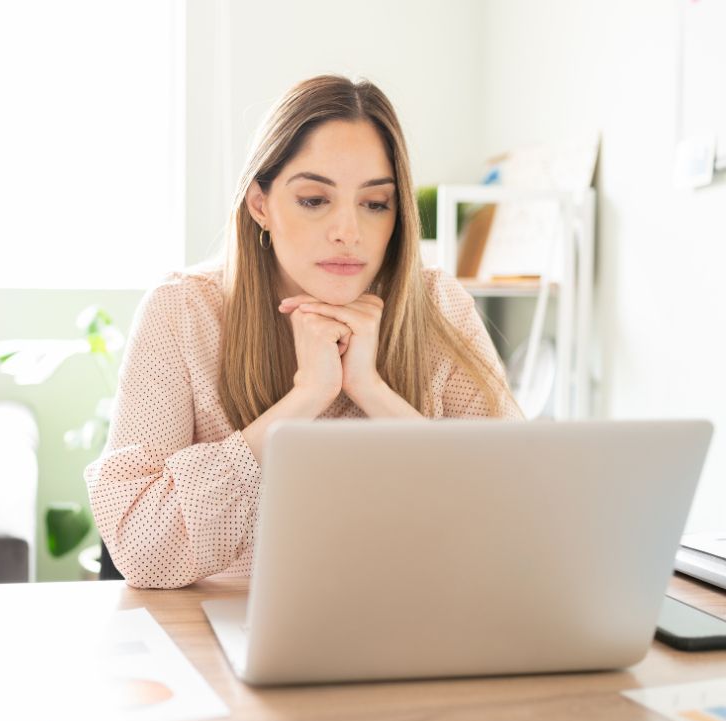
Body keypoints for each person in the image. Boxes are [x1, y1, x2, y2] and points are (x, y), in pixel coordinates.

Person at [84, 74, 523, 589]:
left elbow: (515, 511)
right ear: (260, 205)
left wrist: (373, 392)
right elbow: (141, 549)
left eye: (375, 203)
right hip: (229, 630)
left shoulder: (437, 306)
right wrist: (305, 398)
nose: (348, 231)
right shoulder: (182, 311)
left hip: (417, 622)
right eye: (315, 200)